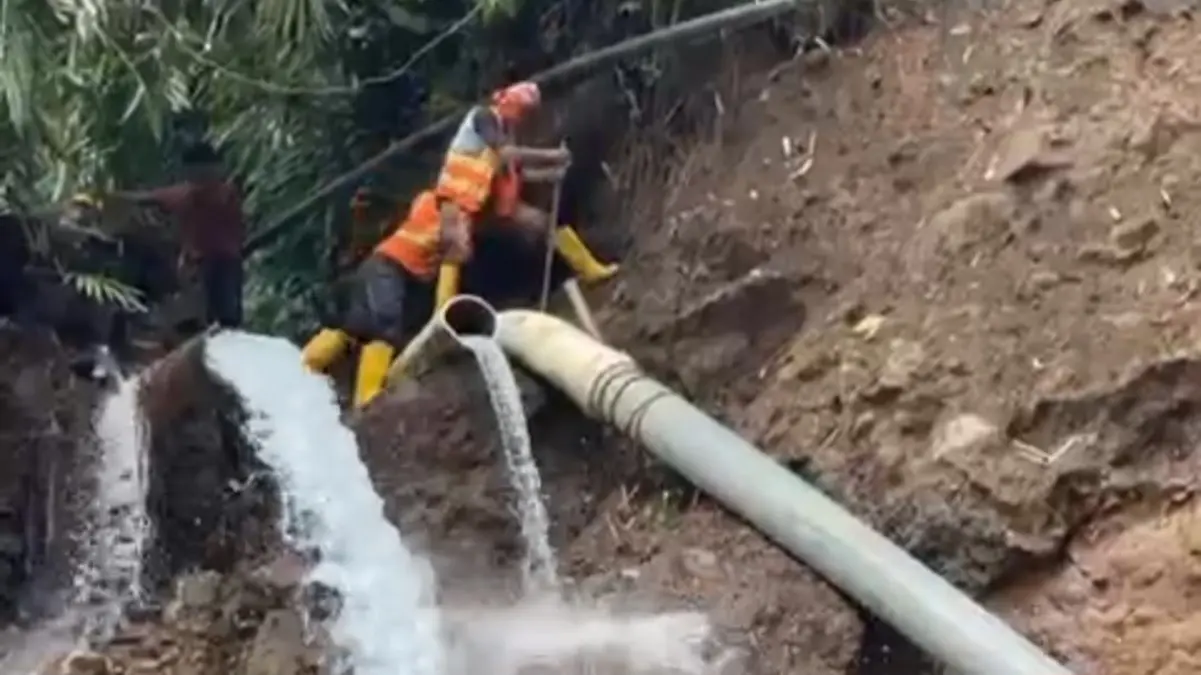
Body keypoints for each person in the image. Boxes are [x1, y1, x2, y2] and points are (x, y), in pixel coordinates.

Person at [301, 81, 584, 408]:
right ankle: (365, 397)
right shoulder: (439, 200)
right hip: (388, 265)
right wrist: (551, 156)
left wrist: (552, 168)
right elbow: (495, 174)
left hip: (393, 267)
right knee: (382, 327)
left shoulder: (468, 197)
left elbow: (512, 176)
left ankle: (306, 367)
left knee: (354, 328)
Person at [109, 142, 246, 329]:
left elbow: (147, 197)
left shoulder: (206, 194)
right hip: (212, 264)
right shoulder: (213, 192)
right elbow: (147, 198)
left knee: (220, 317)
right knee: (220, 317)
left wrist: (112, 198)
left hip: (212, 264)